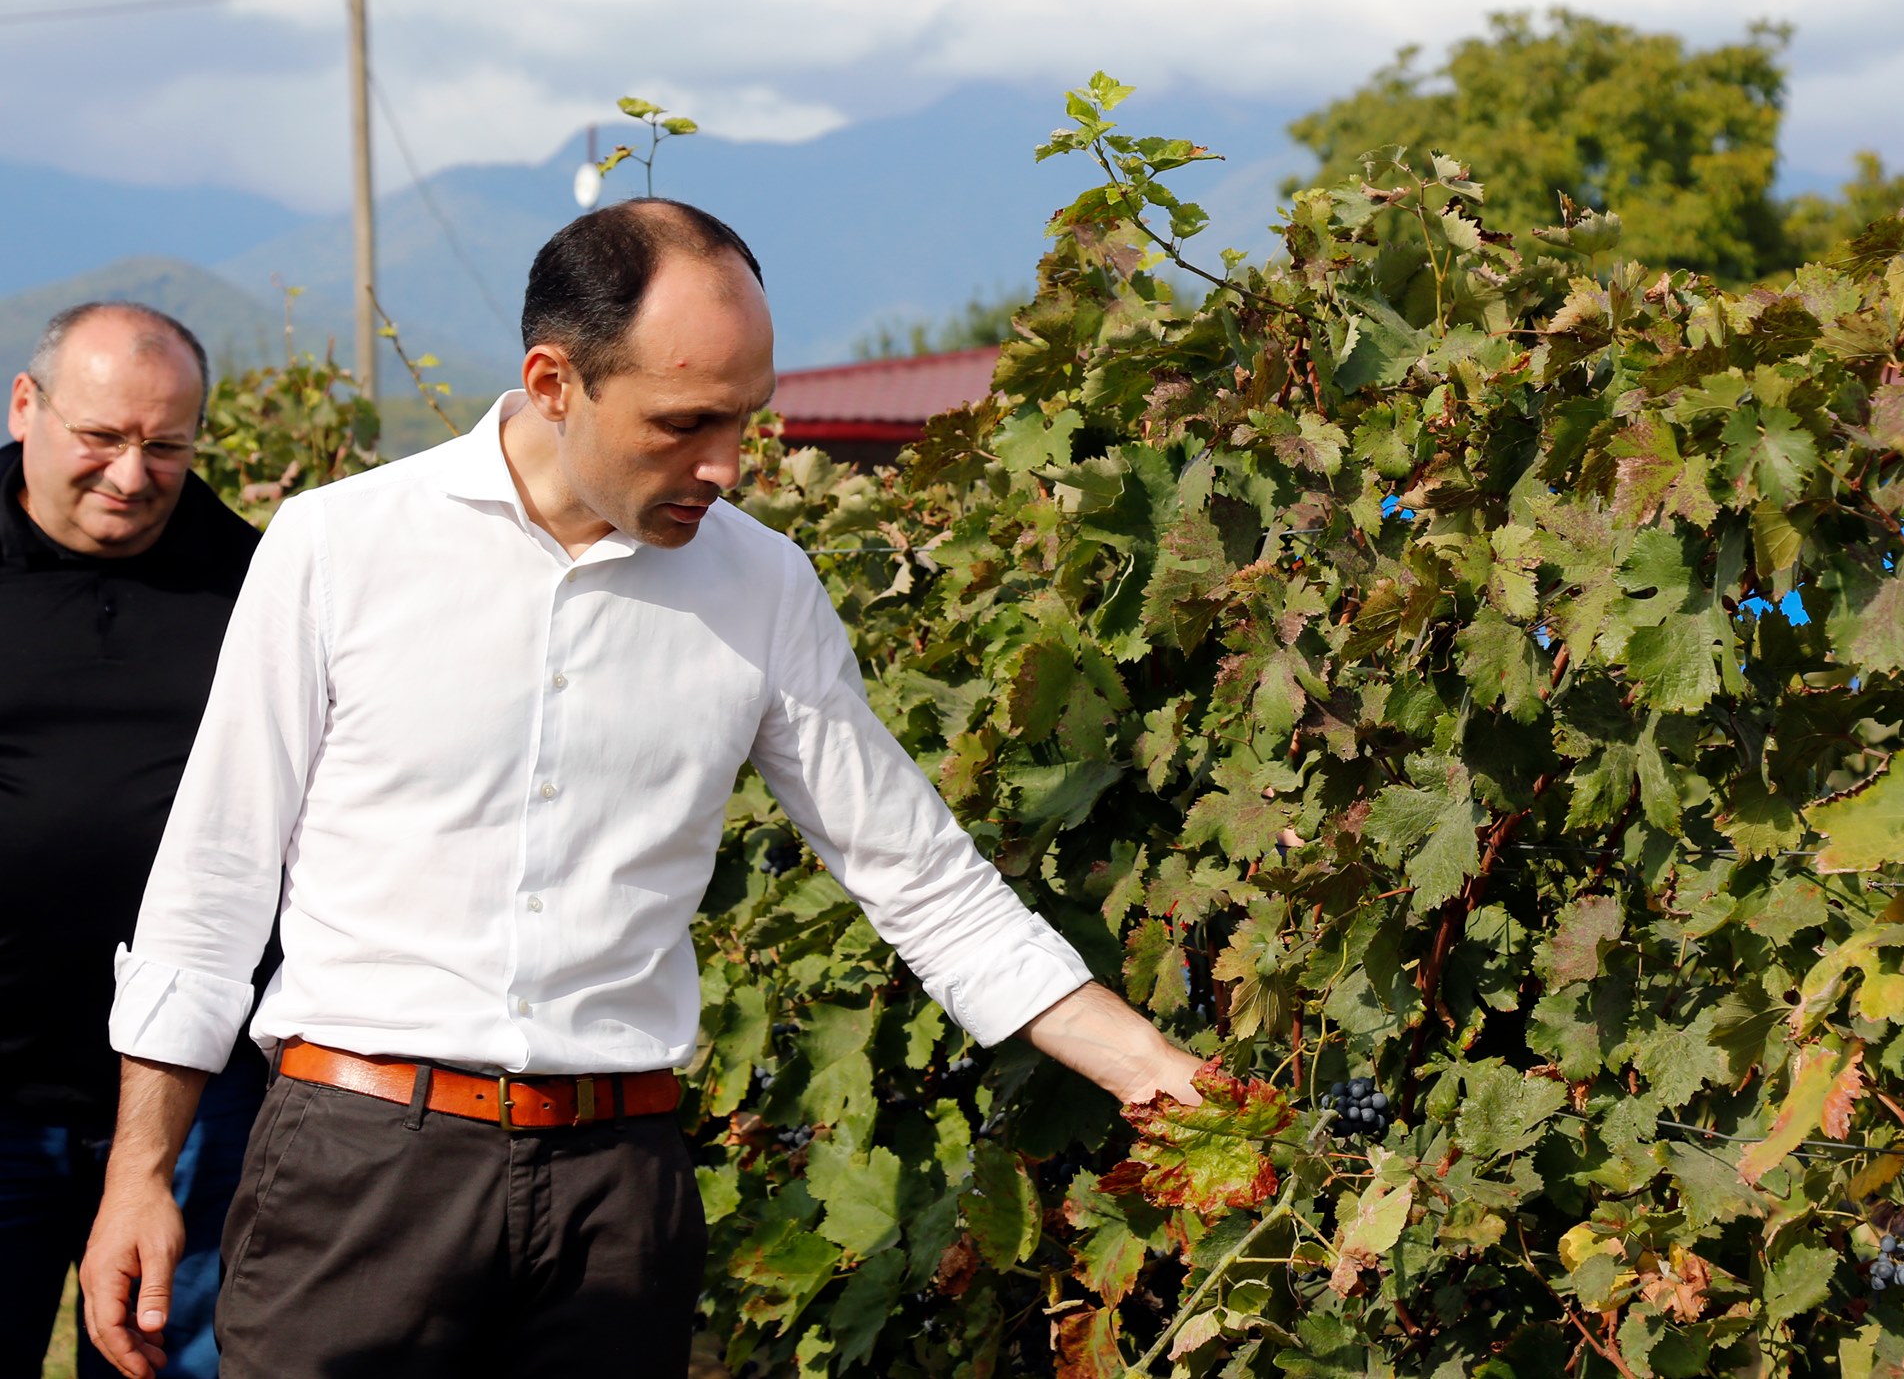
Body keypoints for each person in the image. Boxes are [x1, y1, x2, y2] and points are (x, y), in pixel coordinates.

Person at [82, 202, 1203, 1378]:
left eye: (743, 418)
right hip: (357, 1172)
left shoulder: (764, 587)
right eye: (684, 423)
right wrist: (139, 1175)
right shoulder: (337, 546)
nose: (725, 466)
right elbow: (213, 882)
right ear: (552, 382)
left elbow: (924, 884)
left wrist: (1157, 1075)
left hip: (617, 1196)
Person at [0, 305, 266, 1378]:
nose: (130, 473)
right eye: (102, 436)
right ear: (26, 406)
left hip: (195, 1091)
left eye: (165, 446)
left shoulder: (255, 583)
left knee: (171, 1362)